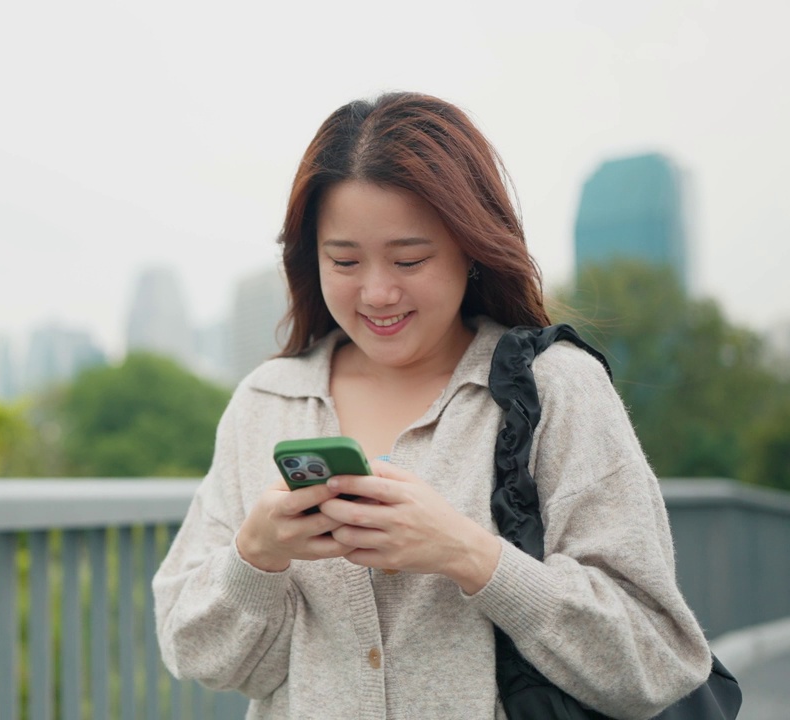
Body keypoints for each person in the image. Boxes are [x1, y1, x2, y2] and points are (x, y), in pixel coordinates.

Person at [152, 92, 713, 719]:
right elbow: (199, 656)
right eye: (344, 260)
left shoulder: (556, 388)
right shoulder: (266, 403)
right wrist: (255, 557)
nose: (378, 292)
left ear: (471, 246)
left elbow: (658, 656)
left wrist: (469, 556)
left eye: (410, 258)